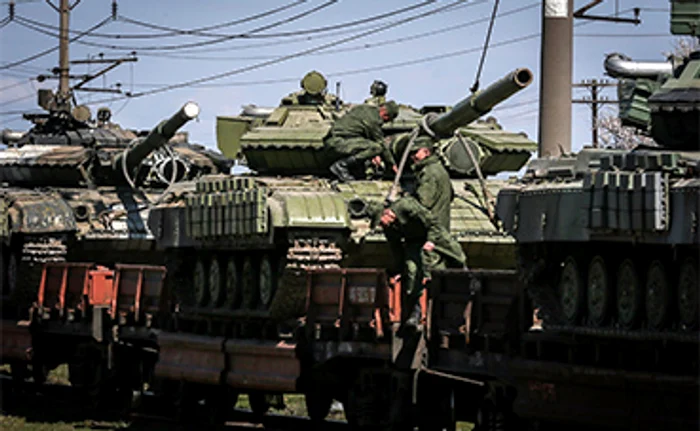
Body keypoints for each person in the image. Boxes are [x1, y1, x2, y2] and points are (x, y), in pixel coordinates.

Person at [377, 196, 466, 329]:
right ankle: (416, 310)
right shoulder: (389, 227)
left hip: (434, 235)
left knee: (457, 259)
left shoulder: (407, 206)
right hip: (415, 243)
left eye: (380, 221)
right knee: (413, 270)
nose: (380, 225)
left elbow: (433, 223)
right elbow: (395, 247)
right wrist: (399, 269)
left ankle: (465, 289)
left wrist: (431, 240)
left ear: (387, 213)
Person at [325, 100, 400, 182]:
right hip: (340, 142)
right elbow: (381, 143)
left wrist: (372, 155)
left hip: (335, 140)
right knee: (377, 148)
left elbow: (359, 131)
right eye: (388, 119)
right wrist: (392, 164)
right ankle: (341, 165)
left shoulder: (364, 108)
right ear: (386, 115)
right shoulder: (374, 120)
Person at [409, 136, 454, 230]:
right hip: (441, 227)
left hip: (430, 230)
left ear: (426, 152)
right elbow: (451, 194)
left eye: (415, 152)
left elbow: (424, 202)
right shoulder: (440, 168)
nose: (412, 156)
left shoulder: (428, 172)